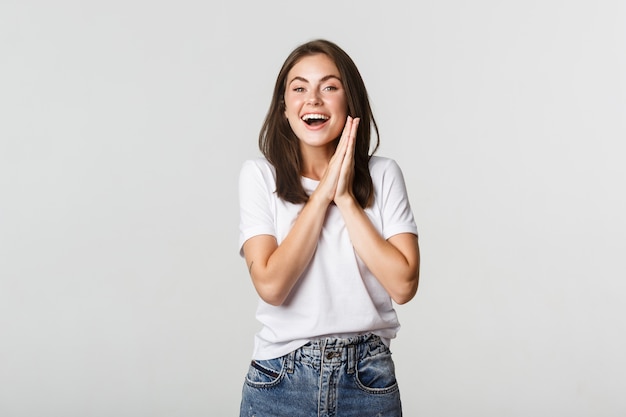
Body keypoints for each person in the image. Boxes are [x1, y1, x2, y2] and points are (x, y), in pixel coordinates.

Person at [238, 39, 420, 417]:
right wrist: (322, 196)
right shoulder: (258, 176)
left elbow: (403, 285)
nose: (314, 99)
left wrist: (347, 199)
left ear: (349, 102)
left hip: (367, 379)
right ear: (284, 108)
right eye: (300, 88)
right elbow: (271, 286)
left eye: (329, 87)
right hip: (280, 380)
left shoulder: (384, 175)